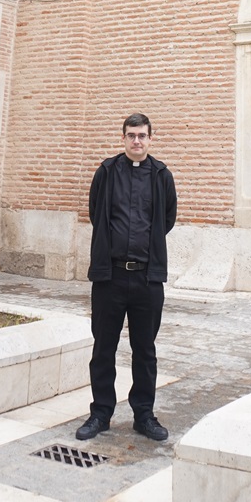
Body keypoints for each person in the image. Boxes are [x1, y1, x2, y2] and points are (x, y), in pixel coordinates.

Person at [75, 112, 177, 442]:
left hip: (147, 279)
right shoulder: (107, 171)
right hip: (111, 277)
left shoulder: (162, 175)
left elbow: (168, 218)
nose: (136, 141)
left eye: (142, 135)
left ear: (151, 138)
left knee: (144, 350)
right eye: (131, 135)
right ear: (123, 138)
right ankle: (100, 413)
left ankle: (144, 416)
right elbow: (95, 212)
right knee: (103, 348)